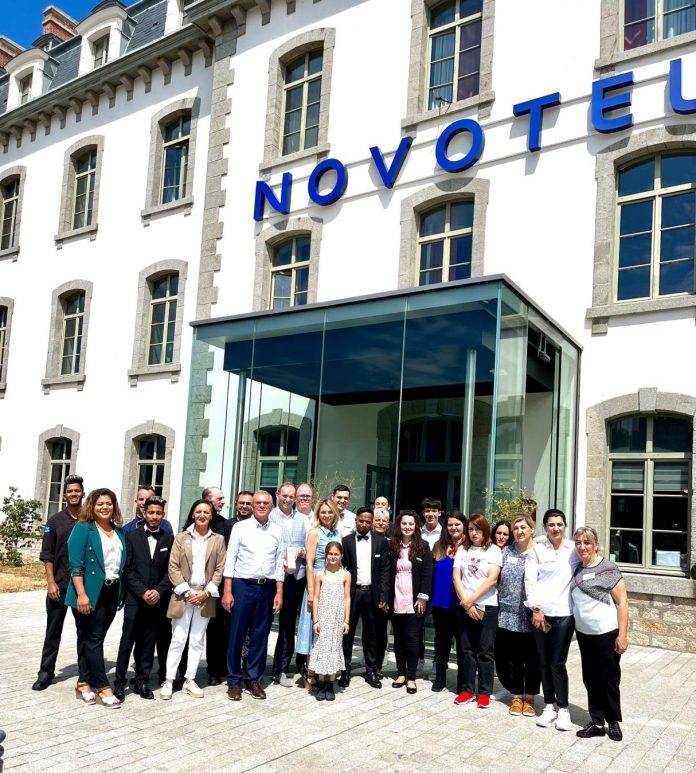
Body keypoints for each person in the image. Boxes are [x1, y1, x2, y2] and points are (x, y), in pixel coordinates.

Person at [65, 488, 127, 708]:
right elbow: (76, 565)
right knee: (94, 639)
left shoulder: (118, 531)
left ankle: (83, 682)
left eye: (108, 503)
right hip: (88, 592)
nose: (105, 507)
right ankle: (102, 687)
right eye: (100, 504)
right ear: (92, 506)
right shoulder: (83, 529)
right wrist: (82, 594)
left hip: (111, 590)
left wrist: (122, 592)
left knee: (90, 638)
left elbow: (120, 565)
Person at [160, 499, 226, 700]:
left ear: (211, 516)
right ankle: (169, 680)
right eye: (199, 511)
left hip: (205, 596)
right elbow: (173, 566)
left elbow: (220, 568)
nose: (202, 515)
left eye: (206, 512)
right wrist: (188, 592)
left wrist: (205, 593)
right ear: (193, 514)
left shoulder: (218, 539)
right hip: (183, 595)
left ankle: (190, 679)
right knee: (178, 638)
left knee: (197, 640)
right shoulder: (181, 537)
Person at [223, 491, 284, 701]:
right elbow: (230, 559)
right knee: (237, 634)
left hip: (267, 587)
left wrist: (279, 592)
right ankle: (234, 681)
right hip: (242, 585)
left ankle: (253, 679)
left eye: (266, 503)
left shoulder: (277, 530)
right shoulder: (240, 528)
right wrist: (228, 590)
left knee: (260, 634)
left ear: (272, 506)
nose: (261, 505)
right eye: (258, 502)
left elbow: (279, 563)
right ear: (252, 505)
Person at [524, 508, 580, 731]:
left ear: (565, 526)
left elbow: (593, 552)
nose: (556, 528)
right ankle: (549, 706)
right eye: (551, 525)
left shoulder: (574, 549)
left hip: (565, 614)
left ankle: (564, 709)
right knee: (543, 661)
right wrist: (536, 608)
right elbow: (530, 581)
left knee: (557, 662)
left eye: (559, 524)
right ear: (545, 527)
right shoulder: (537, 550)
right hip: (541, 615)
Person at [114, 496, 174, 701]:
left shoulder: (168, 539)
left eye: (158, 513)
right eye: (151, 513)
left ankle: (142, 681)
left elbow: (170, 570)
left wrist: (159, 590)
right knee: (127, 640)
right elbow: (128, 569)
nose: (154, 516)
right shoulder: (131, 537)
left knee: (149, 640)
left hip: (157, 599)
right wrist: (142, 592)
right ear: (144, 513)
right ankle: (119, 682)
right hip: (135, 598)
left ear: (163, 515)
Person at [572, 526, 628, 742]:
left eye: (587, 542)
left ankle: (613, 721)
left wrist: (622, 635)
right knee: (590, 679)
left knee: (608, 679)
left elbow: (622, 603)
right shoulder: (576, 569)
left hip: (606, 633)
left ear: (596, 545)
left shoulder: (608, 568)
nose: (582, 546)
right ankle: (597, 722)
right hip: (584, 635)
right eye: (578, 542)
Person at [33, 474, 87, 692]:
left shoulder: (89, 519)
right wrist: (51, 582)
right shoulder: (55, 521)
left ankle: (86, 673)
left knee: (84, 631)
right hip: (60, 585)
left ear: (83, 493)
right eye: (70, 491)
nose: (73, 494)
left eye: (77, 491)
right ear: (64, 495)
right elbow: (47, 555)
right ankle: (46, 672)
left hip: (82, 588)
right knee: (53, 630)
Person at [452, 512, 502, 709]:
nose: (474, 533)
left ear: (485, 530)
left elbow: (492, 579)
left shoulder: (493, 550)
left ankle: (484, 692)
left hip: (487, 606)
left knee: (485, 650)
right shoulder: (462, 550)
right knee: (466, 649)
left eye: (478, 529)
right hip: (465, 606)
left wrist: (471, 601)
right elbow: (456, 578)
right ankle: (467, 689)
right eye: (471, 529)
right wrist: (467, 604)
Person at [495, 514, 540, 718]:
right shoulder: (506, 552)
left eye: (523, 527)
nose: (519, 531)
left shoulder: (539, 552)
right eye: (516, 528)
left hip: (532, 613)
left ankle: (529, 698)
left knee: (532, 657)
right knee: (510, 657)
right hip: (508, 612)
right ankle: (516, 695)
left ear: (532, 529)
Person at [339, 507, 389, 689]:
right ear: (356, 521)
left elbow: (384, 570)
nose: (364, 524)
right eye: (361, 520)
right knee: (347, 633)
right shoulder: (346, 541)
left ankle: (371, 670)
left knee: (371, 635)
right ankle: (345, 670)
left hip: (372, 594)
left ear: (372, 523)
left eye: (368, 521)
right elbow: (342, 567)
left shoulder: (381, 542)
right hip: (352, 593)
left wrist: (384, 595)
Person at [295, 499, 341, 688]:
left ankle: (324, 669)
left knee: (326, 627)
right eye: (323, 512)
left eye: (330, 512)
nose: (327, 515)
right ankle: (310, 672)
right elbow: (309, 563)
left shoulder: (337, 533)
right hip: (317, 581)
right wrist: (312, 589)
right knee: (312, 627)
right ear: (318, 514)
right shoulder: (314, 532)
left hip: (333, 584)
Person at [388, 509, 433, 695]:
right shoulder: (392, 546)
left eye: (411, 524)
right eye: (404, 523)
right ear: (399, 525)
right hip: (396, 597)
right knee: (398, 638)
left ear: (416, 526)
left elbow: (427, 573)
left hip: (415, 600)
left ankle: (412, 677)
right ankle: (401, 673)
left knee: (412, 639)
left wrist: (422, 596)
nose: (407, 527)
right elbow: (387, 572)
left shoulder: (423, 546)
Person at [270, 482, 308, 687]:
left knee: (290, 624)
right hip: (275, 576)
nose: (287, 499)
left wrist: (301, 552)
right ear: (277, 495)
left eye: (291, 496)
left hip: (297, 578)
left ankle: (283, 668)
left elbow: (309, 546)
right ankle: (258, 667)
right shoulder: (270, 516)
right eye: (284, 495)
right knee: (267, 624)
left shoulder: (302, 519)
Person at [430, 511, 467, 693]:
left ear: (464, 526)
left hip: (462, 604)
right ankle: (440, 677)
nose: (453, 528)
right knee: (441, 642)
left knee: (462, 644)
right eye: (450, 524)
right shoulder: (438, 546)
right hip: (440, 603)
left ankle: (462, 681)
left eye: (457, 524)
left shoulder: (469, 546)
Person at [309, 541, 351, 701]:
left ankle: (330, 684)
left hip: (338, 617)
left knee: (334, 646)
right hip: (323, 616)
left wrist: (346, 620)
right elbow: (316, 597)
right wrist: (315, 620)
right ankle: (321, 682)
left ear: (341, 556)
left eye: (336, 554)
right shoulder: (320, 574)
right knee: (322, 647)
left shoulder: (346, 575)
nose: (333, 557)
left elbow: (347, 598)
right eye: (330, 554)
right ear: (326, 555)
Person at [372, 508, 392, 677]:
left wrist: (385, 595)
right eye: (377, 520)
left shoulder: (392, 543)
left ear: (388, 524)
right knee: (368, 630)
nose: (380, 523)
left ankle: (377, 665)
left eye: (383, 521)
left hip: (385, 593)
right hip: (365, 591)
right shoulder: (365, 540)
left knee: (381, 631)